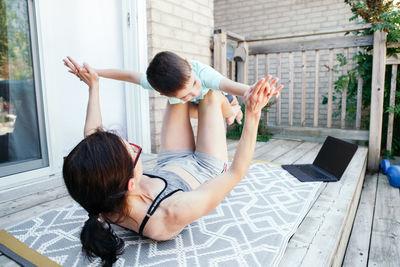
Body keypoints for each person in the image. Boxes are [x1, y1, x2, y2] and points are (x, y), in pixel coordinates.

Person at [62, 61, 282, 266]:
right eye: (134, 151)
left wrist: (94, 86)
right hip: (206, 167)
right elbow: (236, 172)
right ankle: (233, 111)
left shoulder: (100, 196)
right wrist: (253, 113)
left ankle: (215, 109)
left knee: (176, 97)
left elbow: (92, 136)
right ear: (131, 184)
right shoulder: (169, 214)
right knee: (212, 96)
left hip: (171, 161)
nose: (134, 148)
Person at [63, 51, 254, 124]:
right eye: (184, 95)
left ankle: (235, 110)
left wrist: (253, 90)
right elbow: (128, 75)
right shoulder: (156, 84)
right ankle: (232, 113)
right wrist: (95, 73)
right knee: (186, 110)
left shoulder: (203, 75)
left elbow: (231, 85)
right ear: (161, 93)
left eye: (193, 85)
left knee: (230, 117)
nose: (193, 92)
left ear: (189, 64)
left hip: (221, 95)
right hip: (199, 105)